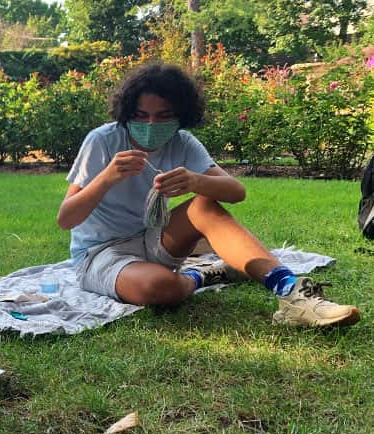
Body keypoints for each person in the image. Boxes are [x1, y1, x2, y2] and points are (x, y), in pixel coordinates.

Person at [58, 62, 360, 327]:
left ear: (180, 116)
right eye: (141, 115)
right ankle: (205, 273)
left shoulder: (183, 143)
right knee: (161, 288)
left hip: (154, 237)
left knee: (204, 205)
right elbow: (66, 218)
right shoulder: (103, 141)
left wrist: (195, 181)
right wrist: (106, 178)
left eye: (163, 116)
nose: (151, 125)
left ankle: (291, 292)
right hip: (101, 254)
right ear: (126, 114)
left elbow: (236, 192)